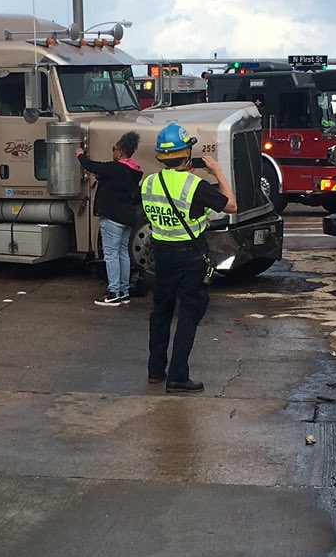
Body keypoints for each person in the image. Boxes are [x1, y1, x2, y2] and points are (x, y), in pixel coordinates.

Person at [139, 121, 236, 393]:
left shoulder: (148, 182)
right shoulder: (196, 185)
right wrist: (218, 171)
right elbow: (231, 204)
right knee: (189, 314)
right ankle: (178, 377)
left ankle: (156, 370)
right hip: (190, 255)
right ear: (186, 155)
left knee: (160, 312)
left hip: (161, 253)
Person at [79, 129, 144, 307]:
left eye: (114, 149)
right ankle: (124, 292)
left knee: (111, 254)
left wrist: (79, 155)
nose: (113, 152)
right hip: (127, 217)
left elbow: (92, 166)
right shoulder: (133, 171)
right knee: (123, 253)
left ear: (120, 152)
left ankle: (113, 291)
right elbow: (113, 182)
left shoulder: (116, 168)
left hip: (113, 217)